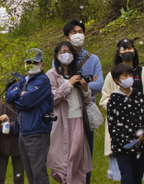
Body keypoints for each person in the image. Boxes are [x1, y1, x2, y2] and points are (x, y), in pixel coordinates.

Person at [99, 40, 144, 177]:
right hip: (121, 127)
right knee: (125, 173)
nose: (127, 51)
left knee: (138, 173)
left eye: (129, 48)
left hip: (139, 125)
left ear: (134, 50)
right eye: (123, 49)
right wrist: (121, 107)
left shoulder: (143, 73)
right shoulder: (113, 75)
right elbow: (105, 99)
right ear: (118, 52)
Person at [54, 20, 104, 184]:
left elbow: (99, 85)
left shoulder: (93, 59)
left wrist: (84, 85)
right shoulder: (63, 59)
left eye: (80, 31)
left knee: (84, 157)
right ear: (67, 37)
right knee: (65, 157)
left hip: (84, 115)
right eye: (74, 32)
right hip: (63, 116)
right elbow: (57, 85)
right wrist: (79, 83)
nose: (78, 35)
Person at [46, 41, 93, 184]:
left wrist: (85, 89)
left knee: (76, 156)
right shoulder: (51, 74)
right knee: (62, 159)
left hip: (77, 118)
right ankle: (66, 180)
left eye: (69, 52)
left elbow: (86, 99)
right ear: (57, 55)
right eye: (63, 52)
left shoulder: (76, 73)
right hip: (61, 122)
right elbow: (51, 99)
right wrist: (69, 84)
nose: (66, 54)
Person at [6, 49, 53, 184]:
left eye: (35, 62)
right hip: (24, 132)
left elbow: (26, 101)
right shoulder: (23, 81)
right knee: (30, 173)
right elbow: (8, 96)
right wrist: (21, 94)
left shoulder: (42, 81)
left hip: (37, 132)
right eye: (28, 62)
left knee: (39, 174)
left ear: (42, 65)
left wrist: (19, 95)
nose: (31, 64)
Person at [104, 64, 144, 184]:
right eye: (125, 76)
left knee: (138, 178)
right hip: (122, 148)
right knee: (127, 177)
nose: (129, 78)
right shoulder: (114, 100)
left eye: (131, 75)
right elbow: (113, 126)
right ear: (117, 80)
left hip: (139, 147)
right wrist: (126, 140)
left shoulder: (139, 96)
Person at [0, 76, 24, 184]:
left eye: (19, 86)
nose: (16, 89)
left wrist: (7, 126)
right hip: (1, 145)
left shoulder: (24, 102)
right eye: (14, 86)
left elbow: (25, 123)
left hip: (18, 144)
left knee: (19, 178)